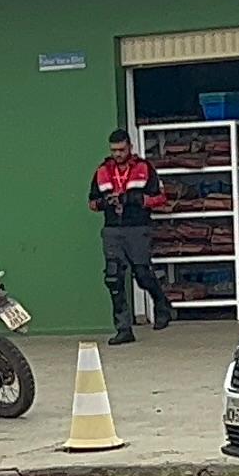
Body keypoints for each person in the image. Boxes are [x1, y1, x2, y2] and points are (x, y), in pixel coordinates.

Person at [89, 129, 174, 343]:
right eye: (114, 150)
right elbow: (91, 203)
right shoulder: (102, 171)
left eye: (121, 149)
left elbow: (161, 198)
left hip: (138, 227)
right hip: (112, 229)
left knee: (143, 274)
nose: (117, 154)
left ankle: (161, 304)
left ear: (130, 148)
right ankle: (123, 328)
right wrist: (104, 203)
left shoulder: (144, 168)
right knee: (113, 278)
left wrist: (134, 199)